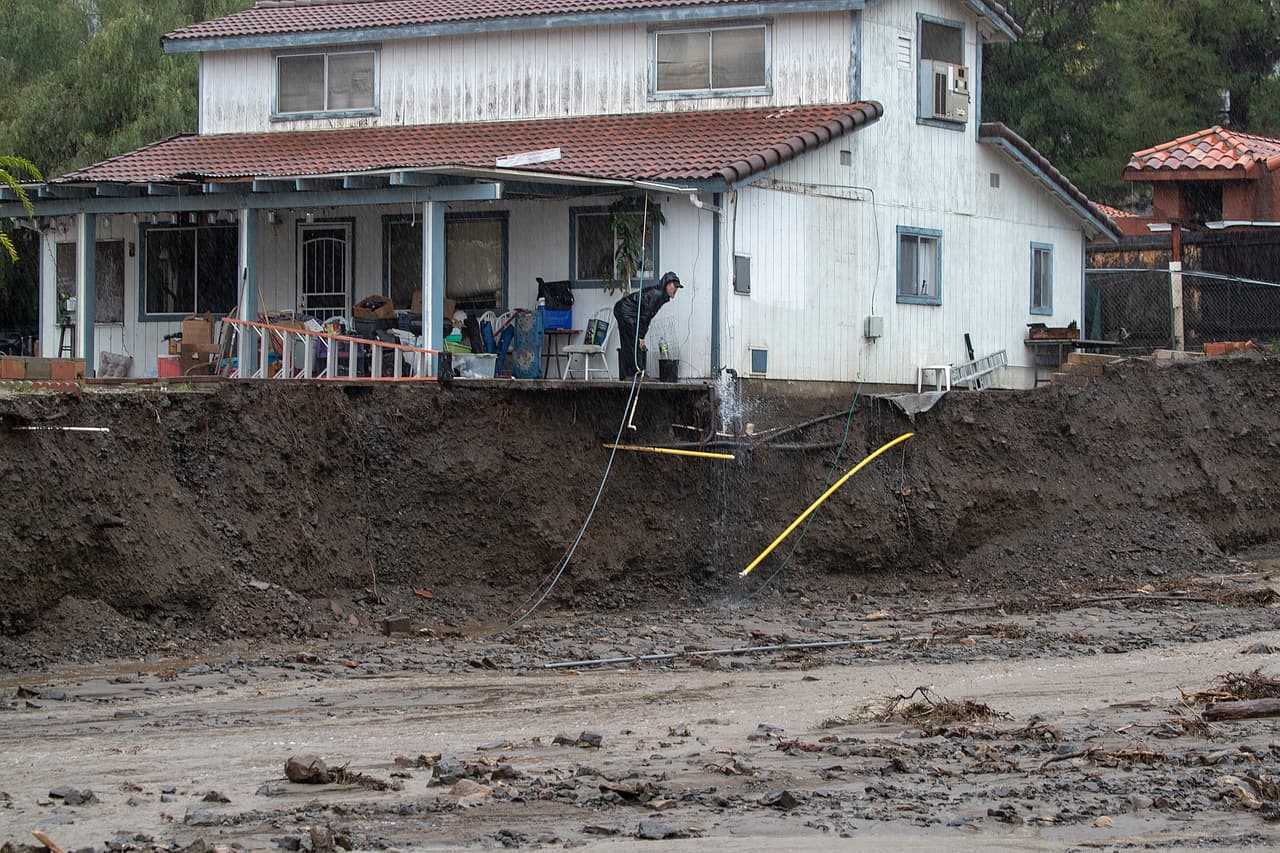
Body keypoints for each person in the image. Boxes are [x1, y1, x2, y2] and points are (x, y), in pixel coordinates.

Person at [613, 271, 681, 377]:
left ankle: (631, 373)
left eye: (677, 287)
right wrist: (641, 336)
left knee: (629, 342)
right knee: (633, 341)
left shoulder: (660, 294)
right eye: (674, 286)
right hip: (625, 311)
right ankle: (636, 372)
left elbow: (647, 316)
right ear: (667, 284)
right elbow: (645, 316)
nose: (676, 289)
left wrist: (641, 335)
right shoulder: (657, 295)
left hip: (626, 311)